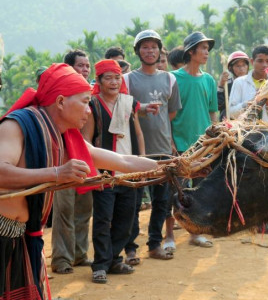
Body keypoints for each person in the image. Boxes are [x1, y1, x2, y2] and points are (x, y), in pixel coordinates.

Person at [0, 63, 158, 299]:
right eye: (85, 102)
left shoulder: (64, 137)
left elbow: (123, 161)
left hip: (19, 236)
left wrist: (175, 166)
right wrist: (56, 173)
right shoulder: (17, 126)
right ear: (61, 101)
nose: (89, 110)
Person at [81, 59, 159, 284]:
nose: (114, 82)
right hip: (105, 173)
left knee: (126, 220)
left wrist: (142, 162)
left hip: (129, 173)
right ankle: (101, 265)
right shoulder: (93, 105)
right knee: (103, 220)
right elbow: (87, 139)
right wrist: (94, 170)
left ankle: (114, 259)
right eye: (108, 78)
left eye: (117, 77)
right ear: (99, 81)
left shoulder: (129, 102)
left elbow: (138, 133)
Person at [125, 30, 181, 260]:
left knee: (161, 202)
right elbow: (121, 108)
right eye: (145, 47)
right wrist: (142, 108)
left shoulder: (170, 79)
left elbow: (172, 111)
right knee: (134, 202)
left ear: (160, 51)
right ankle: (130, 249)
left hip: (163, 151)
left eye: (154, 47)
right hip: (135, 152)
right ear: (138, 51)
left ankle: (154, 244)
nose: (150, 51)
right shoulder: (128, 79)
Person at [171, 31, 217, 248]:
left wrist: (214, 137)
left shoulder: (209, 80)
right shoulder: (174, 79)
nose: (207, 53)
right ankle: (169, 236)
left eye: (208, 49)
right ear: (191, 52)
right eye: (203, 49)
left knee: (201, 190)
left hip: (203, 145)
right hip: (179, 143)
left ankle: (195, 233)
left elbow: (212, 112)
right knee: (176, 190)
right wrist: (169, 140)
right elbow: (168, 114)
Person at [51, 50, 93, 275]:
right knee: (64, 210)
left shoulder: (89, 95)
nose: (85, 69)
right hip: (64, 160)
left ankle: (79, 254)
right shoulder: (61, 96)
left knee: (84, 209)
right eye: (81, 65)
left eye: (87, 66)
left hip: (85, 158)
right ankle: (61, 259)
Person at [229, 45, 268, 122]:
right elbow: (231, 113)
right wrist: (248, 104)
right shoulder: (239, 82)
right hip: (246, 131)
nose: (264, 65)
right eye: (260, 61)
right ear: (252, 61)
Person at [217, 51, 250, 121]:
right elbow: (218, 105)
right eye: (238, 66)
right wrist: (221, 85)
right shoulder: (227, 84)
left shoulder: (251, 83)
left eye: (244, 65)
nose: (241, 69)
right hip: (231, 123)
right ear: (230, 68)